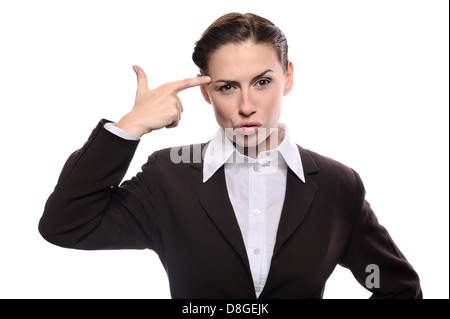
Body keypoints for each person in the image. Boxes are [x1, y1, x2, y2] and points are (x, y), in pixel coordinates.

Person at [39, 12, 422, 299]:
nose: (246, 105)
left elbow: (395, 285)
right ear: (206, 93)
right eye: (226, 87)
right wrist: (130, 127)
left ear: (288, 78)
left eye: (262, 82)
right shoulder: (168, 177)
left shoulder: (338, 185)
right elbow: (66, 225)